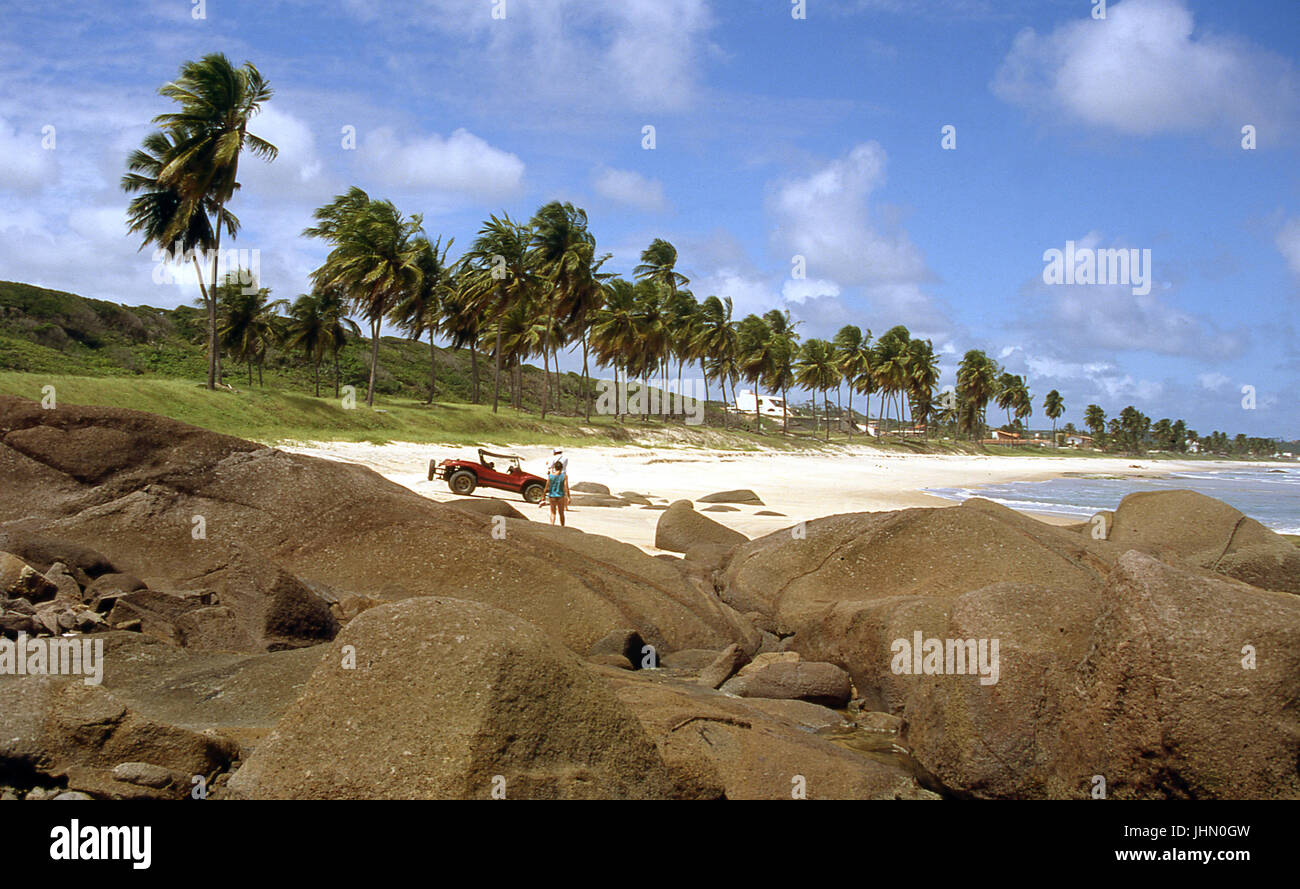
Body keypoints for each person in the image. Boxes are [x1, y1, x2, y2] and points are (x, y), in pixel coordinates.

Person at [541, 458, 570, 526]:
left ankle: (552, 525)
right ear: (562, 468)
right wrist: (568, 497)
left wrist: (543, 496)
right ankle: (562, 526)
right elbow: (566, 487)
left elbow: (546, 487)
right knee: (561, 513)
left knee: (553, 512)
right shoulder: (564, 476)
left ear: (555, 468)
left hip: (552, 495)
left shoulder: (550, 476)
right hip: (560, 496)